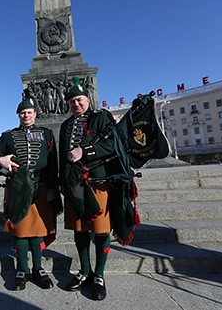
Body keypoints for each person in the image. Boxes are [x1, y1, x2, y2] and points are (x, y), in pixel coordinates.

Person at [59, 77, 133, 301]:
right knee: (79, 229)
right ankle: (84, 272)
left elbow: (113, 144)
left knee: (101, 230)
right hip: (74, 185)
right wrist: (61, 182)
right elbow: (63, 156)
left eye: (79, 100)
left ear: (87, 100)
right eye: (72, 102)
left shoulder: (102, 118)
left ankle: (99, 275)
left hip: (98, 182)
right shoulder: (65, 125)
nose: (76, 104)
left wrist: (85, 151)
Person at [0, 91, 60, 291]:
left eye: (29, 112)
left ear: (35, 114)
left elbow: (53, 163)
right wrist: (0, 160)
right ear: (18, 115)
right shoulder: (8, 136)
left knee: (38, 229)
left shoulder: (47, 134)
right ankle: (22, 269)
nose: (26, 115)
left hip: (40, 185)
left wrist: (52, 187)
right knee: (21, 232)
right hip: (18, 187)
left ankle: (38, 269)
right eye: (23, 113)